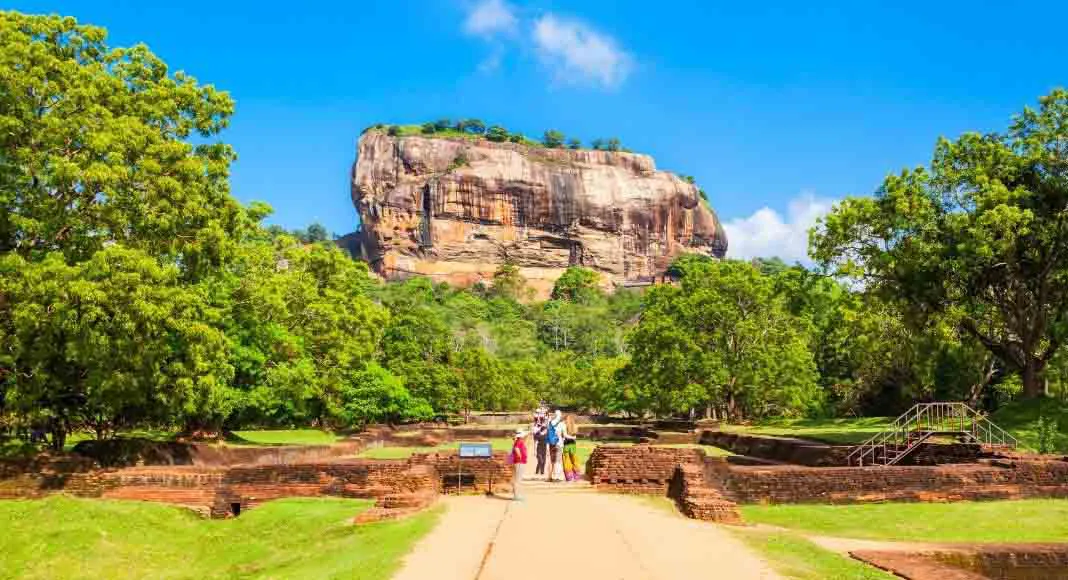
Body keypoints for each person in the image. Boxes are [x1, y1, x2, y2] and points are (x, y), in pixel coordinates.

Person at [510, 428, 528, 501]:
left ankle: (516, 494)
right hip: (519, 462)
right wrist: (520, 455)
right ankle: (516, 495)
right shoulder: (519, 441)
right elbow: (516, 448)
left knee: (516, 479)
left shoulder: (518, 441)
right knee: (517, 479)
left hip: (518, 461)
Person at [561, 414, 581, 481]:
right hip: (573, 445)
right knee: (574, 459)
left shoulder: (564, 426)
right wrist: (573, 437)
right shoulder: (575, 426)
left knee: (567, 460)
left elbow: (565, 435)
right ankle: (577, 475)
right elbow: (575, 436)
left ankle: (569, 476)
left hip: (566, 444)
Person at [546, 409, 564, 482]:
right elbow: (564, 434)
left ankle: (550, 476)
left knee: (552, 461)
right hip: (559, 443)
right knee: (558, 461)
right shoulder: (562, 424)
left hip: (551, 443)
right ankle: (557, 477)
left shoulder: (550, 423)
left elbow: (547, 434)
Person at [531, 407, 549, 476]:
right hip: (539, 446)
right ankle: (540, 471)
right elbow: (535, 441)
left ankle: (541, 471)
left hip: (544, 445)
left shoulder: (545, 428)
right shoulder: (536, 429)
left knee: (543, 460)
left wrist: (547, 449)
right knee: (540, 460)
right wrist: (534, 450)